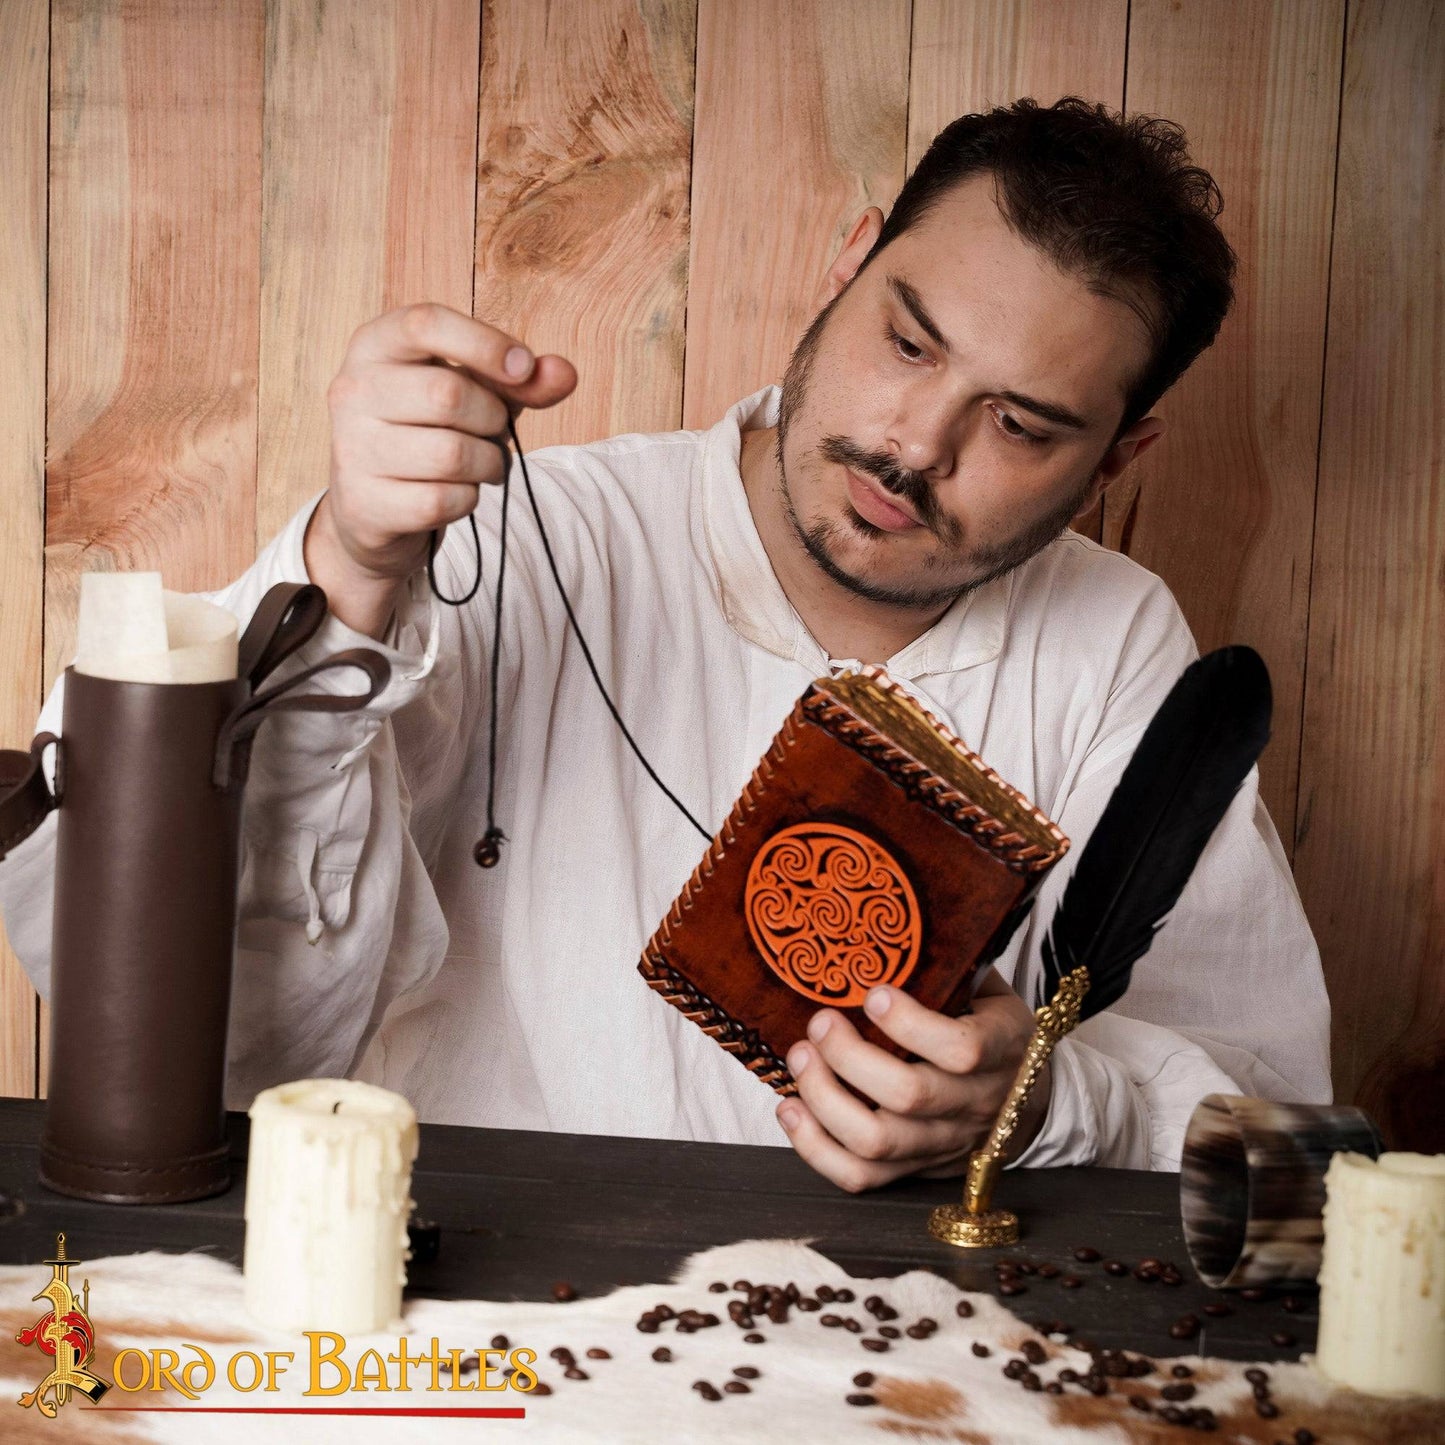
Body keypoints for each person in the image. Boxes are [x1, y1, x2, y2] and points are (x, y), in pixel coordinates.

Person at [0, 98, 1330, 1191]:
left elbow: (1288, 1159)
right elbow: (151, 992)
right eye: (907, 341)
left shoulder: (1115, 644)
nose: (916, 445)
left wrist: (1042, 1094)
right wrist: (350, 568)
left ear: (1119, 458)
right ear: (847, 263)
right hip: (481, 1335)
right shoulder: (512, 538)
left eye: (1022, 426)